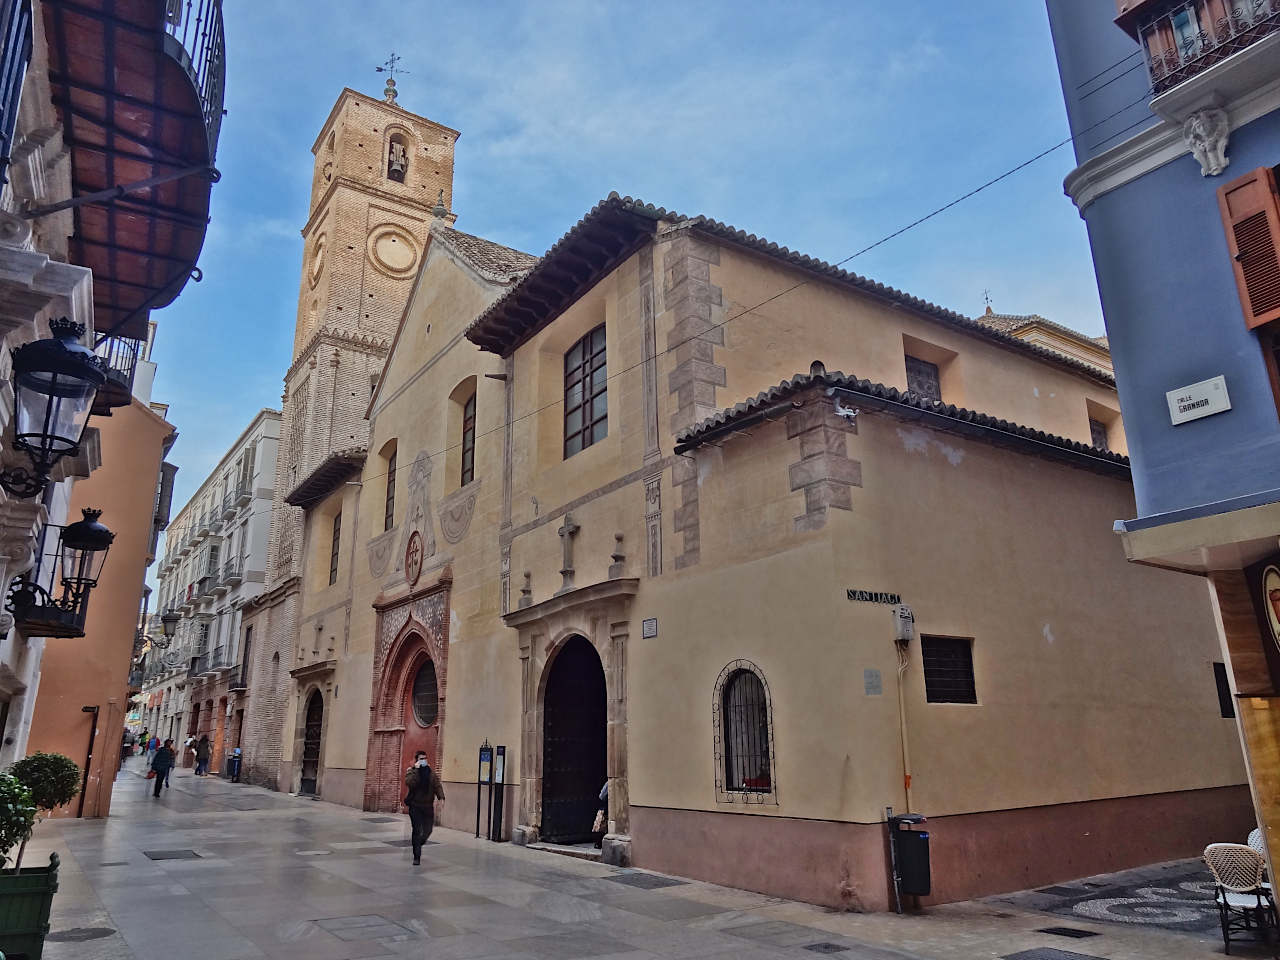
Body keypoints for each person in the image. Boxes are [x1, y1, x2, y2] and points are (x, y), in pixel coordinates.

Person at [403, 750, 445, 866]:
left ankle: (418, 843)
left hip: (427, 807)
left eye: (425, 758)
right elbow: (410, 783)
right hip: (415, 806)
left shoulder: (431, 773)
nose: (424, 761)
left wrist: (441, 798)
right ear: (417, 760)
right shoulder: (411, 772)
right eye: (421, 759)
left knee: (428, 830)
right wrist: (416, 770)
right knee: (417, 830)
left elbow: (437, 785)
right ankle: (417, 857)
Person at [592, 780, 608, 849]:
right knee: (602, 825)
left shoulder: (608, 783)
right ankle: (599, 843)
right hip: (607, 807)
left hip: (605, 807)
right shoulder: (609, 783)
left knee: (600, 826)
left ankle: (598, 843)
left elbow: (601, 796)